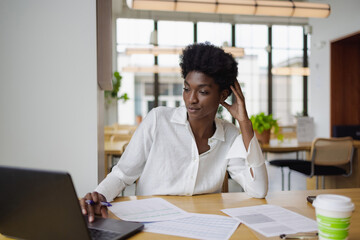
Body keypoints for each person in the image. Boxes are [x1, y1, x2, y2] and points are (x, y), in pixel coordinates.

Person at [80, 42, 268, 222]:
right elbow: (122, 175)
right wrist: (99, 197)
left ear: (223, 95)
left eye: (202, 92)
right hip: (151, 224)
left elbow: (258, 189)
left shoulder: (230, 135)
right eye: (186, 89)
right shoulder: (158, 120)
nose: (191, 99)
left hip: (203, 224)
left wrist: (245, 123)